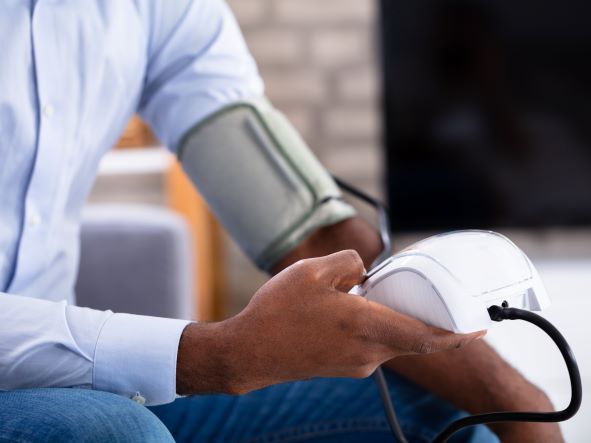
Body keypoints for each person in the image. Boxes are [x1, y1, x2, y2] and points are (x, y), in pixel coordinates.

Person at [0, 1, 561, 442]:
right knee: (114, 432)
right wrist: (218, 355)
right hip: (75, 407)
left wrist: (519, 405)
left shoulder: (158, 9)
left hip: (74, 381)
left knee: (458, 416)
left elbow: (302, 225)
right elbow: (215, 362)